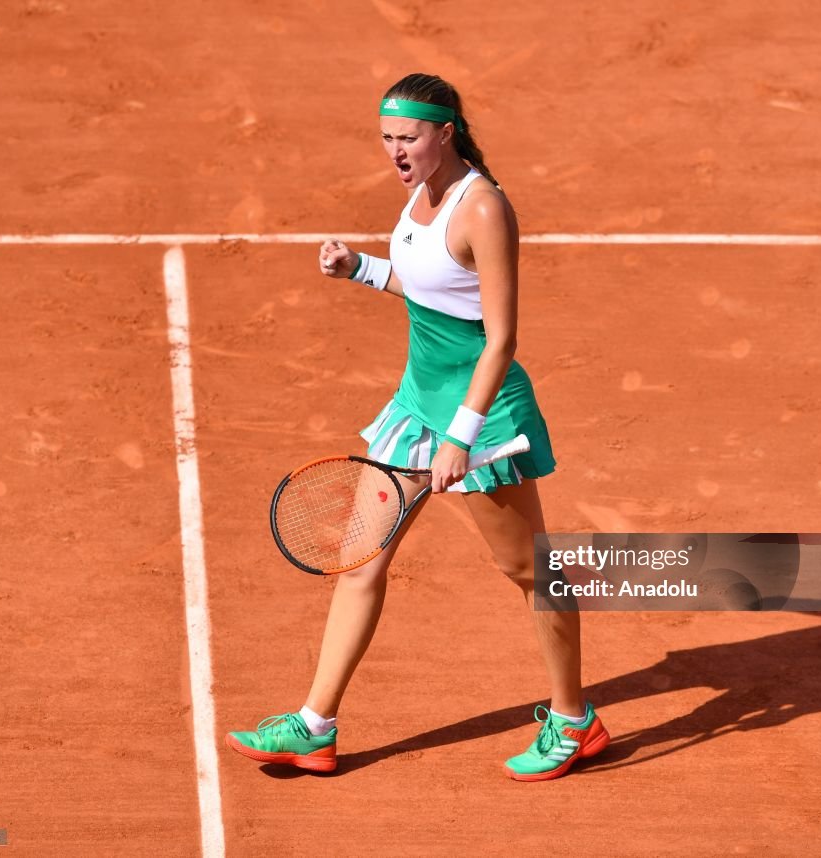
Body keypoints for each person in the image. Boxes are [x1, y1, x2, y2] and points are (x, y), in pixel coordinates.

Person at [226, 73, 609, 781]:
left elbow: (499, 336)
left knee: (529, 571)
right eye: (386, 139)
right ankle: (315, 726)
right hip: (414, 408)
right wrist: (362, 270)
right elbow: (433, 288)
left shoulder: (483, 209)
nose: (395, 152)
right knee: (361, 561)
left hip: (484, 419)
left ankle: (574, 720)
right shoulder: (421, 191)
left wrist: (461, 438)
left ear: (445, 133)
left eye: (407, 139)